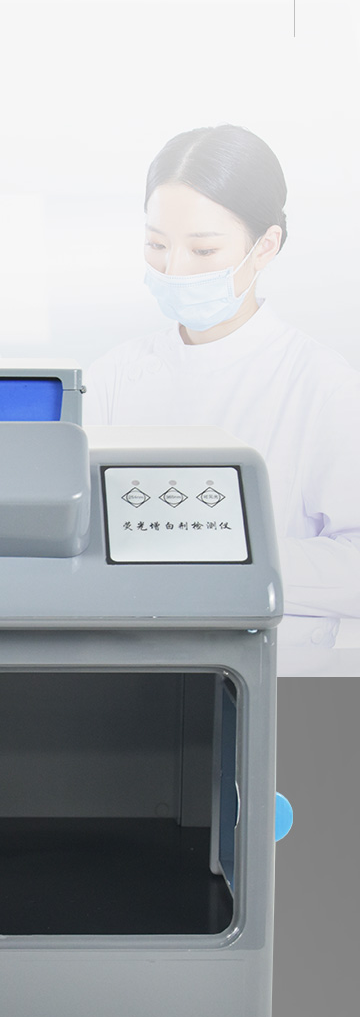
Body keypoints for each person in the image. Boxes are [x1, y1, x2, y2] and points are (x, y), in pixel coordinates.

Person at [85, 124, 360, 644]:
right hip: (130, 664)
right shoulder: (112, 379)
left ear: (265, 246)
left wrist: (222, 554)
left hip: (276, 672)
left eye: (204, 251)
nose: (173, 269)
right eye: (156, 244)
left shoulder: (324, 387)